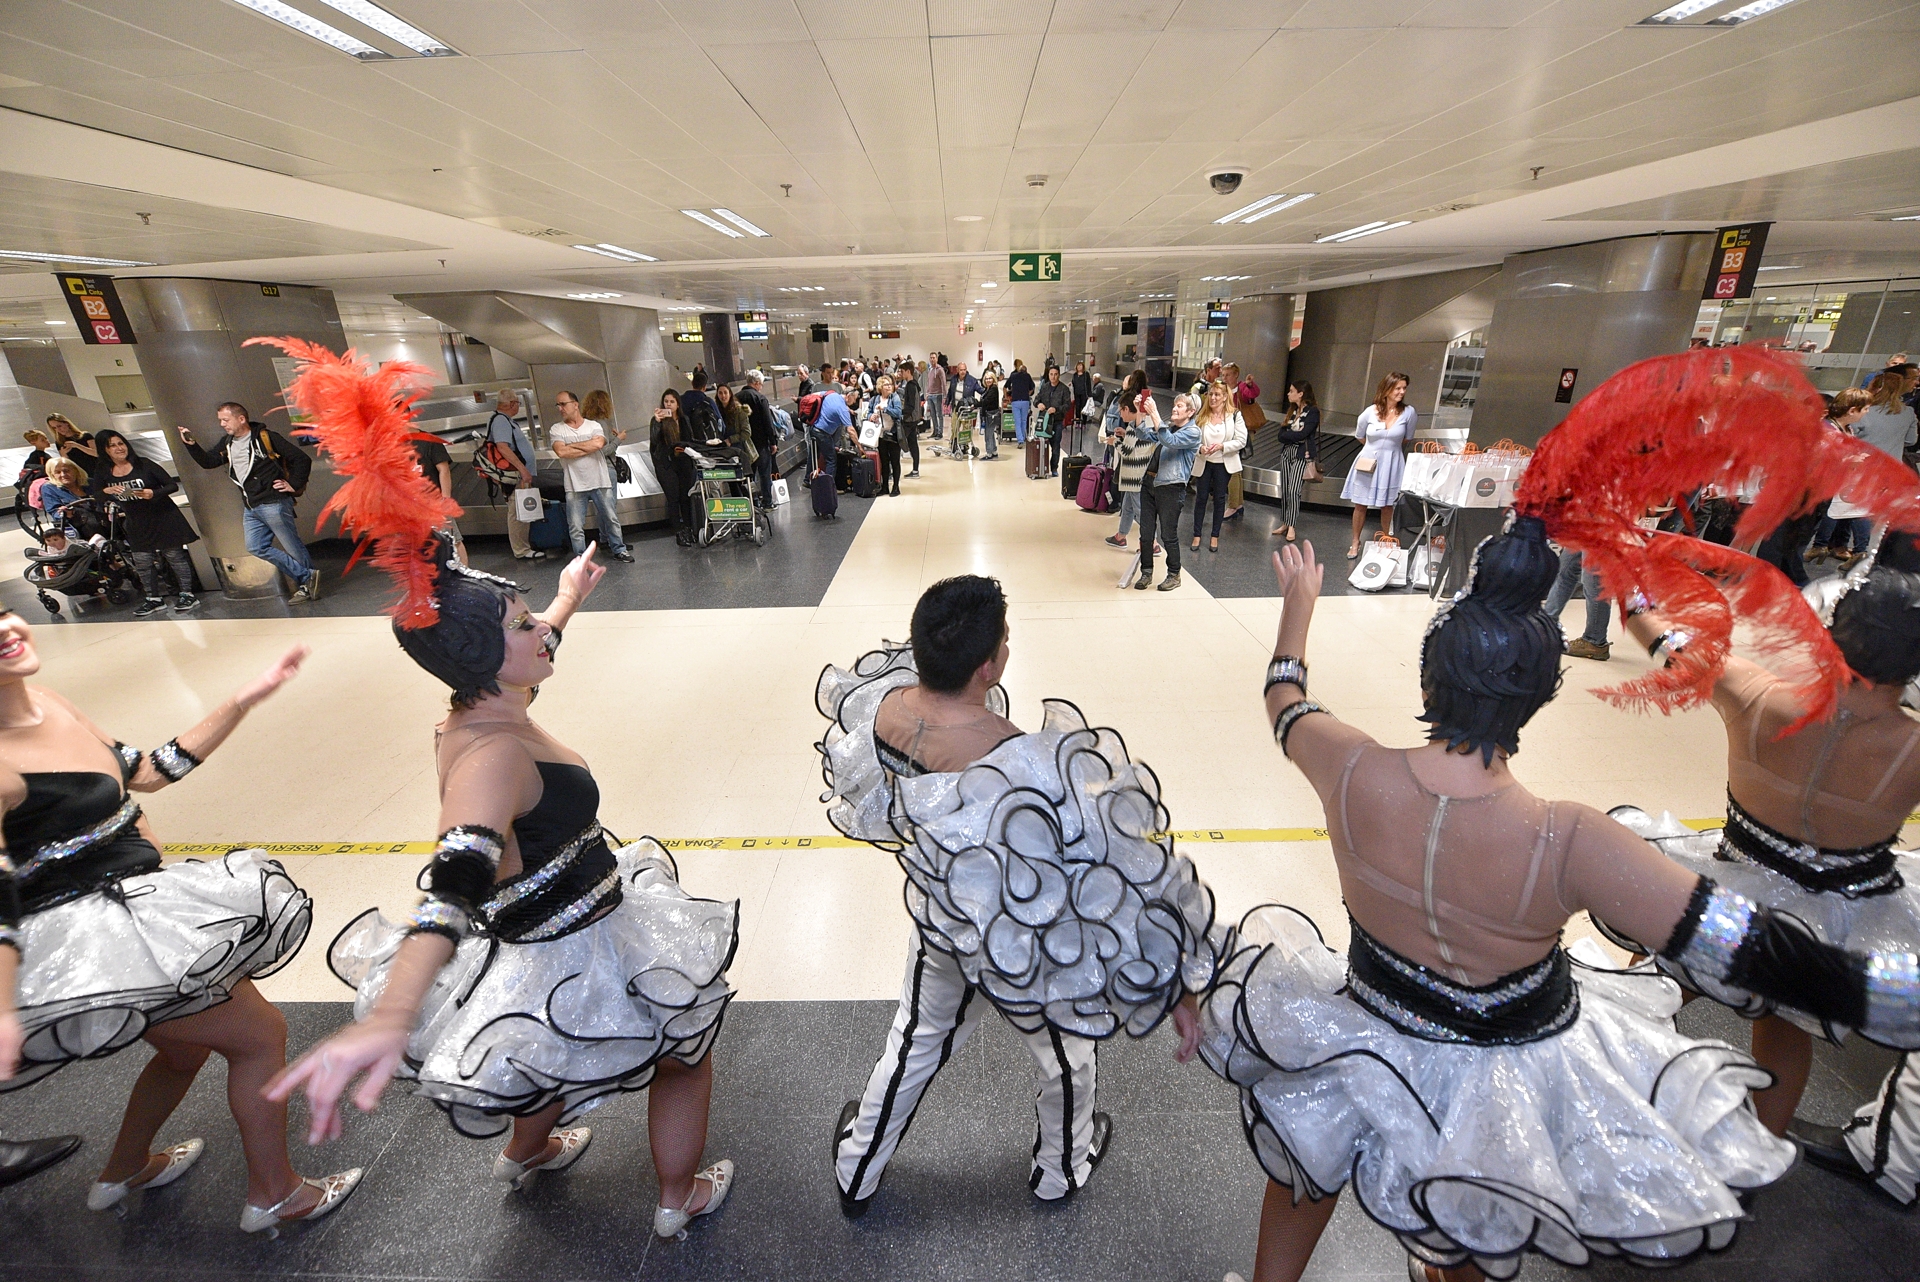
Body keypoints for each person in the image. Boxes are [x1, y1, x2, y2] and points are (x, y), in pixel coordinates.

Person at [1210, 522, 1920, 1282]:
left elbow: (1284, 695)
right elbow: (1752, 949)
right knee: (1481, 1201)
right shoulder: (1573, 841)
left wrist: (1299, 606)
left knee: (1306, 1149)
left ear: (1427, 684)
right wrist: (1887, 993)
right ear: (1539, 700)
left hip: (1365, 1022)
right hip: (1498, 1074)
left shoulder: (1344, 765)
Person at [261, 346, 737, 1241]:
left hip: (538, 933)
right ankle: (678, 1199)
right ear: (487, 656)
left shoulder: (482, 705)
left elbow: (528, 666)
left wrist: (562, 602)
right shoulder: (488, 757)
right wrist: (396, 1011)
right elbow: (452, 881)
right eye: (522, 624)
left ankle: (525, 1150)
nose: (538, 629)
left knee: (543, 1049)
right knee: (684, 1050)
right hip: (574, 935)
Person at [817, 576, 1215, 1216]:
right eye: (1005, 639)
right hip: (1023, 946)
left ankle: (857, 1166)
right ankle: (1060, 1170)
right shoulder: (1019, 759)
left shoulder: (885, 708)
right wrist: (1176, 975)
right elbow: (1117, 870)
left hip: (944, 919)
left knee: (915, 1038)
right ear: (988, 667)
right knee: (1066, 1054)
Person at [0, 623, 360, 1235]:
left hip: (135, 914)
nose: (7, 628)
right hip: (96, 940)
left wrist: (244, 699)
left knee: (187, 1047)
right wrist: (5, 1009)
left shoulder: (51, 701)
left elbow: (148, 771)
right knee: (260, 1035)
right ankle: (276, 1194)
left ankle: (123, 1170)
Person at [179, 403, 320, 601]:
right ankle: (307, 577)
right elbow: (209, 462)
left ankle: (306, 586)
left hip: (274, 502)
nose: (222, 424)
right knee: (255, 547)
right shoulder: (227, 443)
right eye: (220, 420)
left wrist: (293, 484)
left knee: (292, 546)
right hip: (251, 505)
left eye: (225, 420)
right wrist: (191, 445)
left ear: (241, 419)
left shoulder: (266, 437)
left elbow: (302, 459)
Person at [94, 429, 200, 616]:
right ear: (105, 450)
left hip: (163, 517)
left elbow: (172, 485)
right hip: (136, 522)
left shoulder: (144, 464)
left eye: (121, 443)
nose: (119, 448)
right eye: (113, 445)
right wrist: (107, 492)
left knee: (174, 556)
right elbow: (97, 494)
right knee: (142, 561)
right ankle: (153, 598)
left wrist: (154, 493)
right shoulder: (104, 471)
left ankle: (187, 594)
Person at [548, 391, 631, 564]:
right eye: (558, 405)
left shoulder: (593, 425)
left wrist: (571, 446)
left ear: (575, 404)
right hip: (574, 484)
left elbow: (599, 445)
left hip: (600, 480)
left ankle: (619, 549)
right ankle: (581, 558)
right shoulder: (556, 429)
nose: (560, 408)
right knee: (576, 525)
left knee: (611, 517)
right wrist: (586, 447)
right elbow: (561, 451)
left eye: (563, 404)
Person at [1342, 372, 1413, 559]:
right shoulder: (1370, 411)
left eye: (1404, 388)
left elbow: (1407, 438)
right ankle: (1355, 542)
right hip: (1368, 461)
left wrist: (1389, 451)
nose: (1401, 392)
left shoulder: (1408, 412)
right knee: (1360, 504)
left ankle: (1387, 540)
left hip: (1392, 462)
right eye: (1398, 388)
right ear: (1387, 389)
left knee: (1388, 504)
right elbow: (1360, 435)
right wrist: (1374, 450)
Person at [1134, 393, 1200, 592]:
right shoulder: (1169, 427)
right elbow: (1143, 435)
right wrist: (1140, 412)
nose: (1174, 409)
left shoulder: (1193, 432)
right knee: (1145, 532)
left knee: (1168, 535)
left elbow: (1169, 441)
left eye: (1179, 406)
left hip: (1171, 488)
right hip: (1150, 483)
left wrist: (1154, 412)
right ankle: (1146, 572)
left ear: (1191, 412)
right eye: (1174, 405)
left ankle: (1174, 574)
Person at [479, 393, 540, 561]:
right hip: (514, 475)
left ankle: (523, 546)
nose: (518, 406)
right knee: (517, 510)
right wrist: (522, 469)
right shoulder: (500, 420)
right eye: (518, 403)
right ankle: (521, 549)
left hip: (517, 474)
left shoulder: (503, 420)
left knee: (520, 509)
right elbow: (503, 447)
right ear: (512, 403)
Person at [1188, 381, 1247, 555]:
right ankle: (1196, 535)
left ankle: (1215, 536)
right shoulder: (1201, 415)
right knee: (1201, 498)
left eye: (1217, 395)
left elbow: (1241, 440)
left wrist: (1223, 446)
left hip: (1224, 464)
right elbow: (1192, 439)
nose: (1213, 398)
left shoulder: (1234, 415)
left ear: (1225, 397)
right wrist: (1201, 448)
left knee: (1220, 499)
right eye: (1211, 394)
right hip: (1204, 462)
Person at [1102, 393, 1157, 552]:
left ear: (1127, 409)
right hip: (1137, 473)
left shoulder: (1134, 426)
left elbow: (1126, 450)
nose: (1120, 414)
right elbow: (1139, 443)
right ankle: (1121, 536)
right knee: (1128, 507)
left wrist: (1115, 441)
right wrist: (1124, 435)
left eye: (1121, 410)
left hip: (1135, 474)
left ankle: (1152, 543)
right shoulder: (1143, 423)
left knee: (1140, 511)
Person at [1269, 380, 1319, 542]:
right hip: (1287, 453)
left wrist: (1290, 436)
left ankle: (1292, 526)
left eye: (1291, 391)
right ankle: (1285, 522)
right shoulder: (1292, 411)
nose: (1288, 394)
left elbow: (1303, 435)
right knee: (1285, 489)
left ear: (1301, 393)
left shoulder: (1313, 412)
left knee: (1294, 490)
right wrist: (1291, 436)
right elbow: (1280, 435)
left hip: (1301, 454)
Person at [410, 427, 466, 567]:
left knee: (452, 539)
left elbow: (444, 469)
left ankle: (464, 572)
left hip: (434, 501)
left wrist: (445, 499)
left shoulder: (428, 440)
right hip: (411, 504)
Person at [650, 390, 696, 548]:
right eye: (666, 401)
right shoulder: (658, 421)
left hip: (683, 462)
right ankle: (679, 532)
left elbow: (690, 440)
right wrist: (657, 422)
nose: (668, 404)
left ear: (677, 404)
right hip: (666, 464)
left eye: (671, 401)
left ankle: (689, 529)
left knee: (685, 497)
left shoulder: (684, 420)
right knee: (673, 498)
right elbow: (654, 443)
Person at [740, 371, 780, 510]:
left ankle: (752, 503)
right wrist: (773, 441)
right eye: (761, 384)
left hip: (744, 444)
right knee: (764, 474)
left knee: (748, 476)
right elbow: (767, 422)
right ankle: (767, 503)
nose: (761, 387)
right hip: (761, 442)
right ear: (756, 383)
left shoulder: (736, 398)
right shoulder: (760, 398)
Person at [864, 375, 903, 497]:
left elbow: (898, 413)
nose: (889, 387)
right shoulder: (875, 399)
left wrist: (885, 408)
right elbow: (869, 412)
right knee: (884, 462)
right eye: (886, 385)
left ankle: (896, 486)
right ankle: (885, 486)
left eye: (890, 384)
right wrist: (871, 416)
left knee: (895, 461)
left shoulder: (894, 398)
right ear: (881, 387)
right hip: (880, 435)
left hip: (893, 434)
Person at [1035, 365, 1074, 477]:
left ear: (1059, 375)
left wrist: (1056, 409)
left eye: (1056, 374)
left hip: (1056, 422)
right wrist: (1039, 404)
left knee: (1055, 445)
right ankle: (1042, 466)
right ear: (1048, 375)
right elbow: (1036, 399)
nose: (1053, 377)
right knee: (1042, 445)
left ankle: (1054, 468)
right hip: (1044, 422)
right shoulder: (1045, 387)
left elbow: (1067, 405)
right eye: (1051, 374)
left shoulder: (1064, 389)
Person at [46, 415, 101, 482]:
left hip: (96, 469)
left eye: (59, 426)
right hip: (80, 474)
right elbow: (66, 462)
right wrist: (64, 454)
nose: (58, 430)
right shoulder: (60, 442)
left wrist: (77, 445)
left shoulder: (85, 436)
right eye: (54, 428)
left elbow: (96, 453)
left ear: (66, 423)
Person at [35, 458, 86, 523]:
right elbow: (54, 512)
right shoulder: (49, 488)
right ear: (52, 474)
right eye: (58, 472)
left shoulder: (89, 483)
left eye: (66, 471)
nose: (63, 475)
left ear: (76, 470)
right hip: (78, 523)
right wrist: (65, 513)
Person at [896, 362, 923, 478]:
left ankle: (894, 472)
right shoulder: (914, 385)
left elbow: (910, 406)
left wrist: (899, 412)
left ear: (908, 371)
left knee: (898, 444)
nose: (900, 374)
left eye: (902, 371)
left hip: (909, 420)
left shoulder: (910, 386)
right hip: (914, 419)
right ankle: (915, 470)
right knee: (913, 445)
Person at [1005, 359, 1035, 447]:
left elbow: (1005, 387)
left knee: (1017, 422)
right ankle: (1023, 438)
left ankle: (1020, 440)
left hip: (1015, 401)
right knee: (1024, 421)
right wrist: (1027, 393)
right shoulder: (1028, 376)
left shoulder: (1013, 376)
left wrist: (1007, 397)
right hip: (1025, 401)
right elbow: (1032, 388)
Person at [977, 368, 1002, 460]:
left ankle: (989, 453)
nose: (988, 380)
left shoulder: (993, 389)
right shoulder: (988, 389)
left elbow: (986, 401)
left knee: (988, 434)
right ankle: (994, 451)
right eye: (986, 378)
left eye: (990, 378)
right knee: (991, 434)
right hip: (989, 414)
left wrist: (976, 404)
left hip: (991, 414)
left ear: (994, 379)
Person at [926, 359, 946, 440]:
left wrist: (945, 395)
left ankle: (940, 432)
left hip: (938, 395)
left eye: (934, 357)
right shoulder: (930, 369)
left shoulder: (940, 370)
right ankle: (935, 431)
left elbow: (944, 382)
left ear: (937, 359)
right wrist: (927, 393)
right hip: (930, 395)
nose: (932, 359)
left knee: (939, 414)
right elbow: (928, 382)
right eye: (931, 358)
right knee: (933, 415)